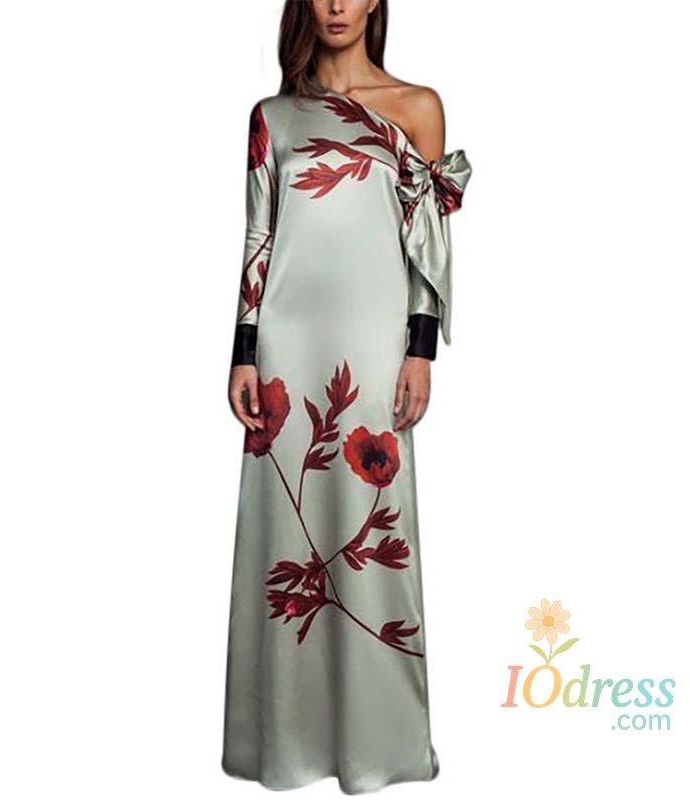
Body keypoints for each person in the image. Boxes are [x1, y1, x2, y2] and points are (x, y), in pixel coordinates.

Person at [222, 0, 471, 793]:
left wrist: (420, 348)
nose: (336, 4)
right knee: (286, 538)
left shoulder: (416, 107)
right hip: (288, 352)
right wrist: (244, 353)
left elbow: (429, 238)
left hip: (373, 346)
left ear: (374, 3)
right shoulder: (271, 117)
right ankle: (287, 747)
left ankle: (380, 747)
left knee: (372, 529)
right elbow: (259, 237)